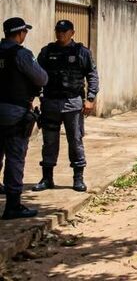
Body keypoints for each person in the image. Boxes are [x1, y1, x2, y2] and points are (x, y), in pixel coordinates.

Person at [33, 20, 99, 193]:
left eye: (64, 31)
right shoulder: (47, 52)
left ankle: (78, 179)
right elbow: (36, 75)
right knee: (49, 142)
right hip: (50, 103)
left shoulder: (81, 52)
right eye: (58, 31)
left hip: (72, 103)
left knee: (75, 141)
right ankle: (47, 178)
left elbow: (92, 75)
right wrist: (38, 97)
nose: (60, 34)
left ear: (72, 33)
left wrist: (90, 98)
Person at [0, 18, 48, 219]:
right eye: (24, 33)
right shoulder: (21, 54)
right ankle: (13, 205)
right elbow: (42, 78)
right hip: (14, 113)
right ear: (20, 34)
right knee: (15, 158)